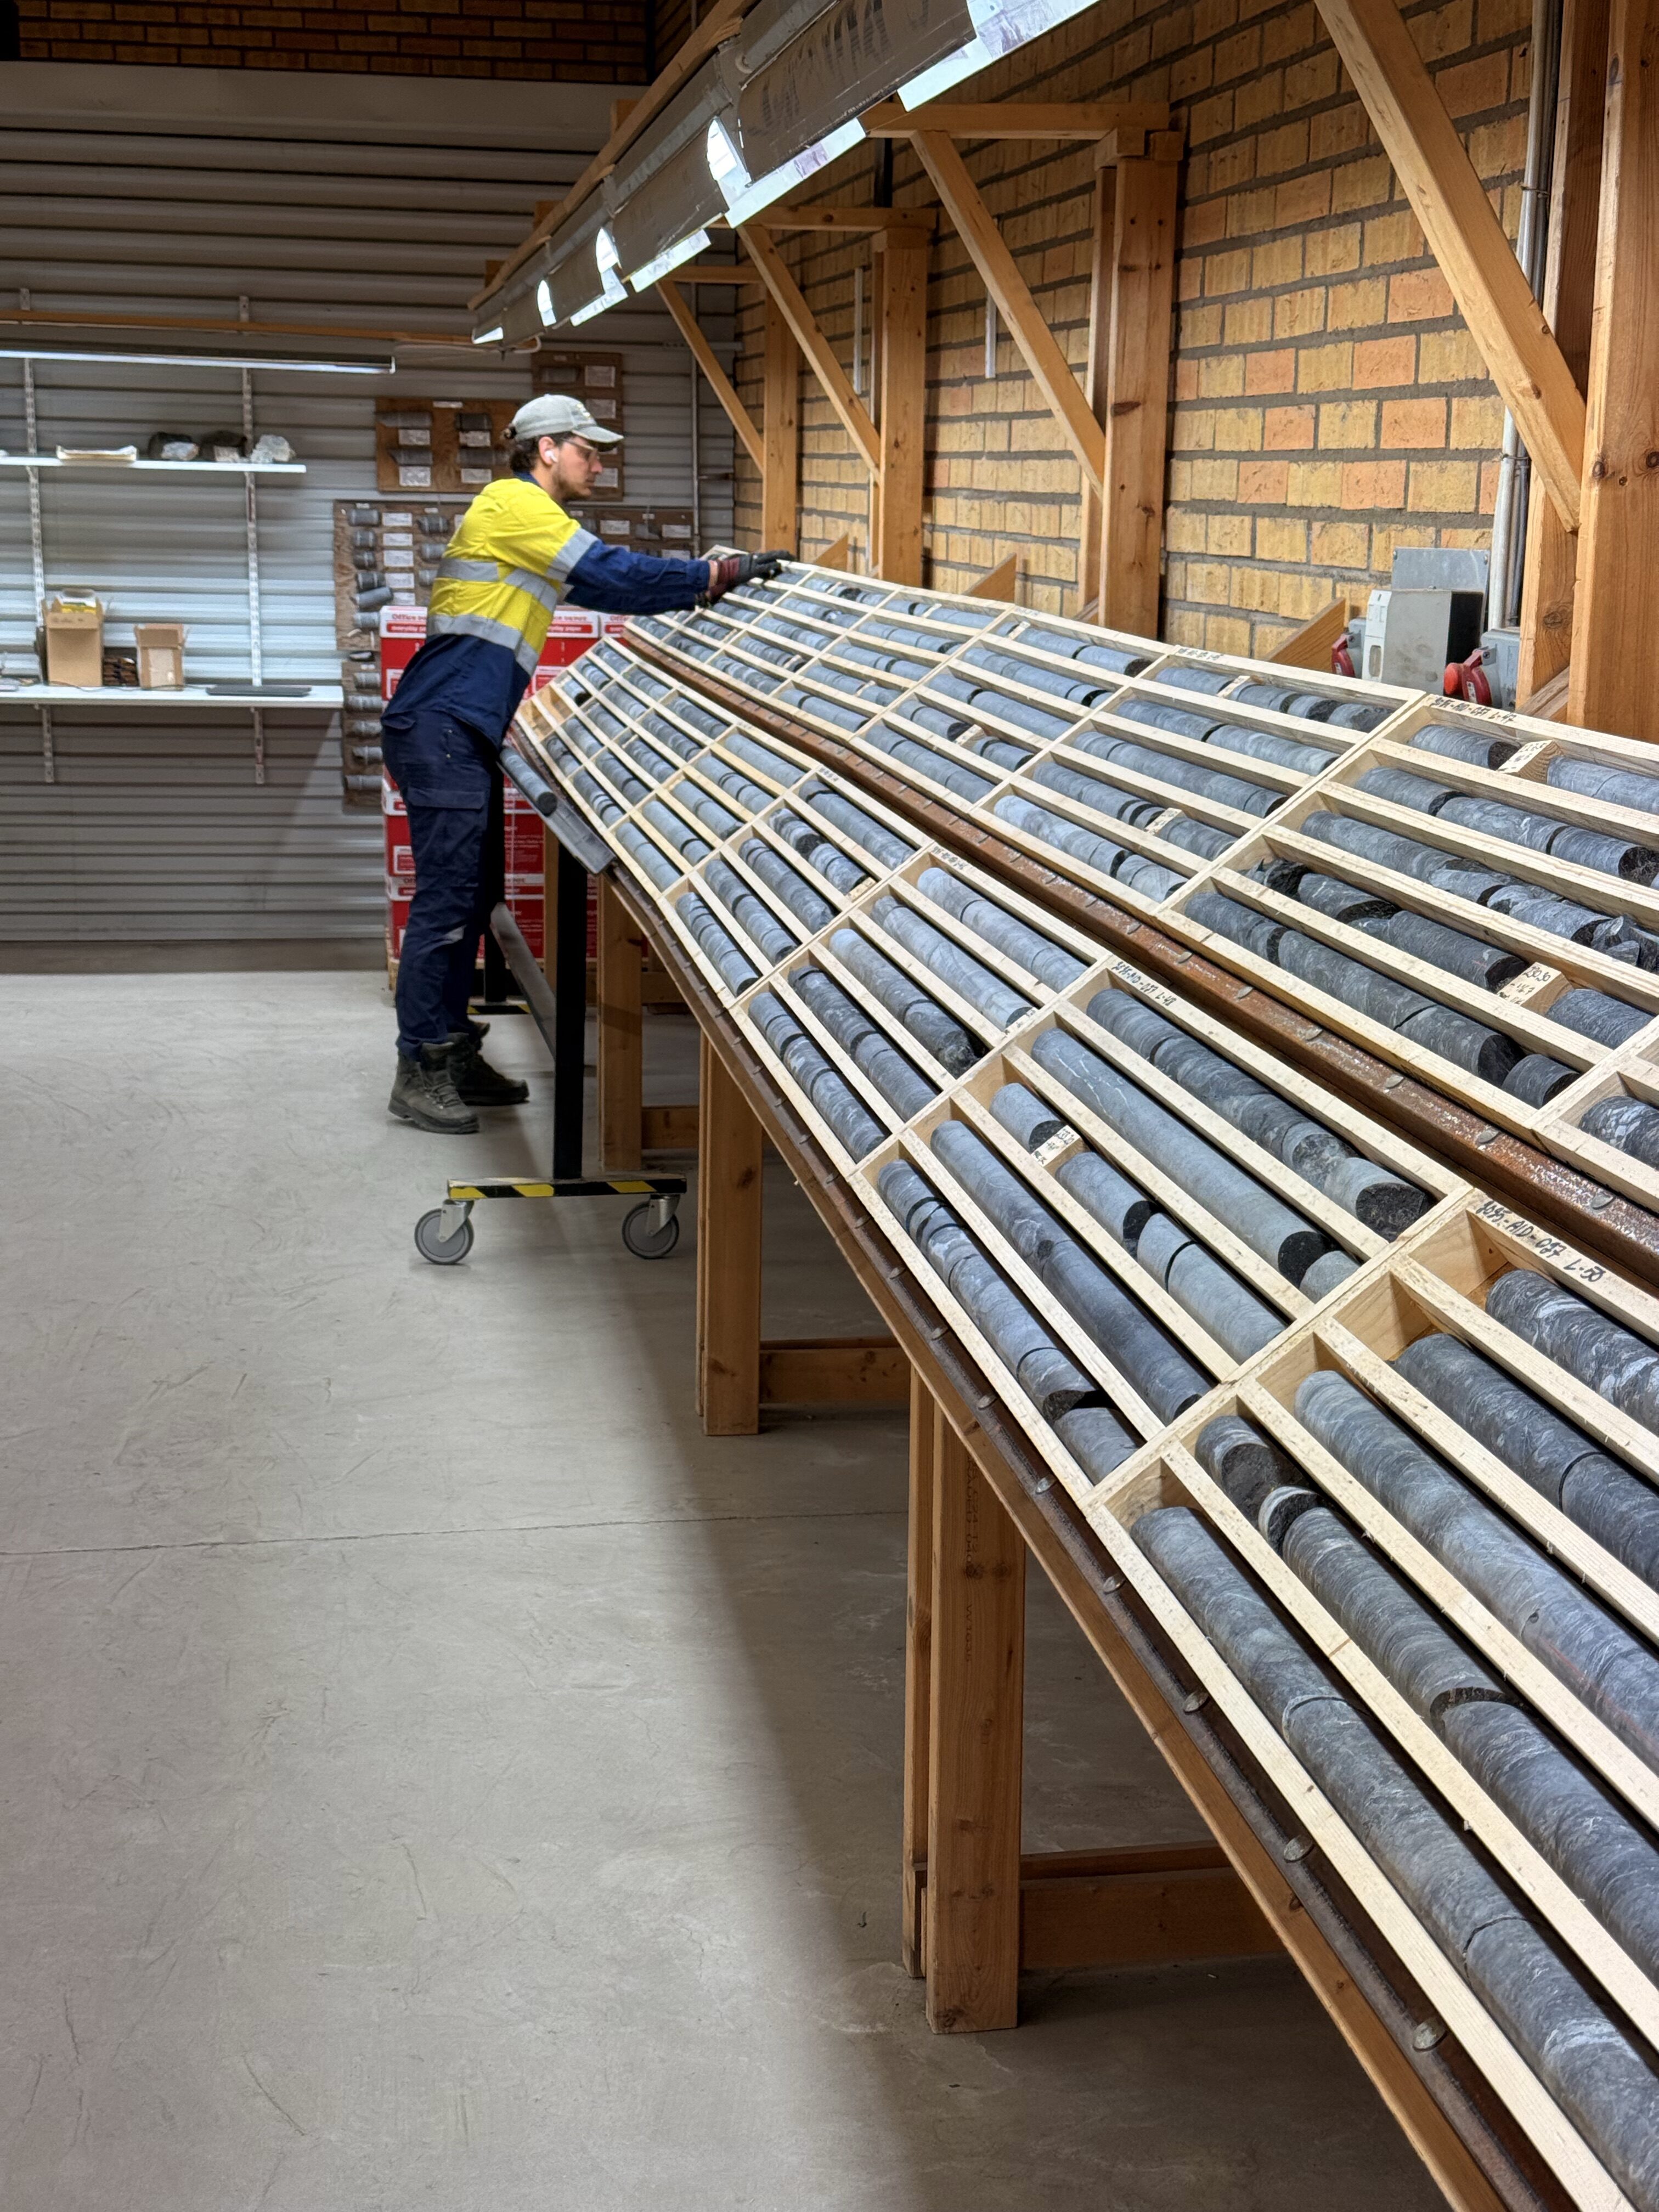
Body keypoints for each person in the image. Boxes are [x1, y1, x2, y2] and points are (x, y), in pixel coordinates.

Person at [380, 393, 785, 1133]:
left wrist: (702, 589)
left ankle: (453, 1051)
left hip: (460, 725)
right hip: (443, 724)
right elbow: (610, 569)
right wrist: (711, 574)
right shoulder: (514, 504)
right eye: (587, 452)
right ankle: (420, 1067)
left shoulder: (531, 524)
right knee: (447, 899)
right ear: (547, 450)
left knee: (471, 898)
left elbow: (604, 588)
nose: (598, 465)